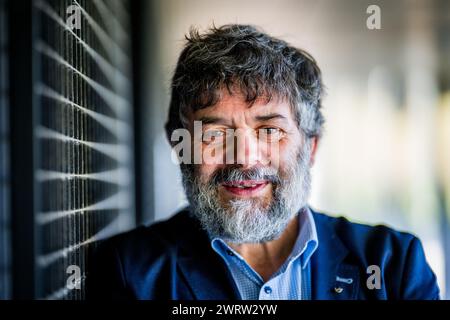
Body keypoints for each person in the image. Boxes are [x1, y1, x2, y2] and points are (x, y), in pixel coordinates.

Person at [87, 24, 439, 300]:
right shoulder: (129, 272)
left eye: (269, 130)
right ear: (180, 148)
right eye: (214, 134)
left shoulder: (394, 266)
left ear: (311, 148)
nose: (243, 157)